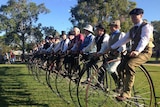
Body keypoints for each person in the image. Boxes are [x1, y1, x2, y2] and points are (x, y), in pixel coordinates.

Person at [107, 8, 154, 101]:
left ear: (141, 16)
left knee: (130, 65)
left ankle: (127, 93)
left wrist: (137, 50)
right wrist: (111, 47)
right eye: (132, 16)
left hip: (145, 52)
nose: (133, 18)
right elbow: (123, 40)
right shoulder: (132, 29)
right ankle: (121, 87)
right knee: (120, 67)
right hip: (133, 52)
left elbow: (144, 39)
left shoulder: (146, 26)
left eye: (135, 16)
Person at [98, 20, 126, 87]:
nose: (110, 28)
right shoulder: (111, 36)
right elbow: (107, 46)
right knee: (102, 68)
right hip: (111, 56)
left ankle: (120, 84)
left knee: (111, 69)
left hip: (118, 57)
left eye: (111, 26)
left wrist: (118, 51)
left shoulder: (121, 34)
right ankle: (100, 84)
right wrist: (101, 52)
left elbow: (123, 45)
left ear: (116, 27)